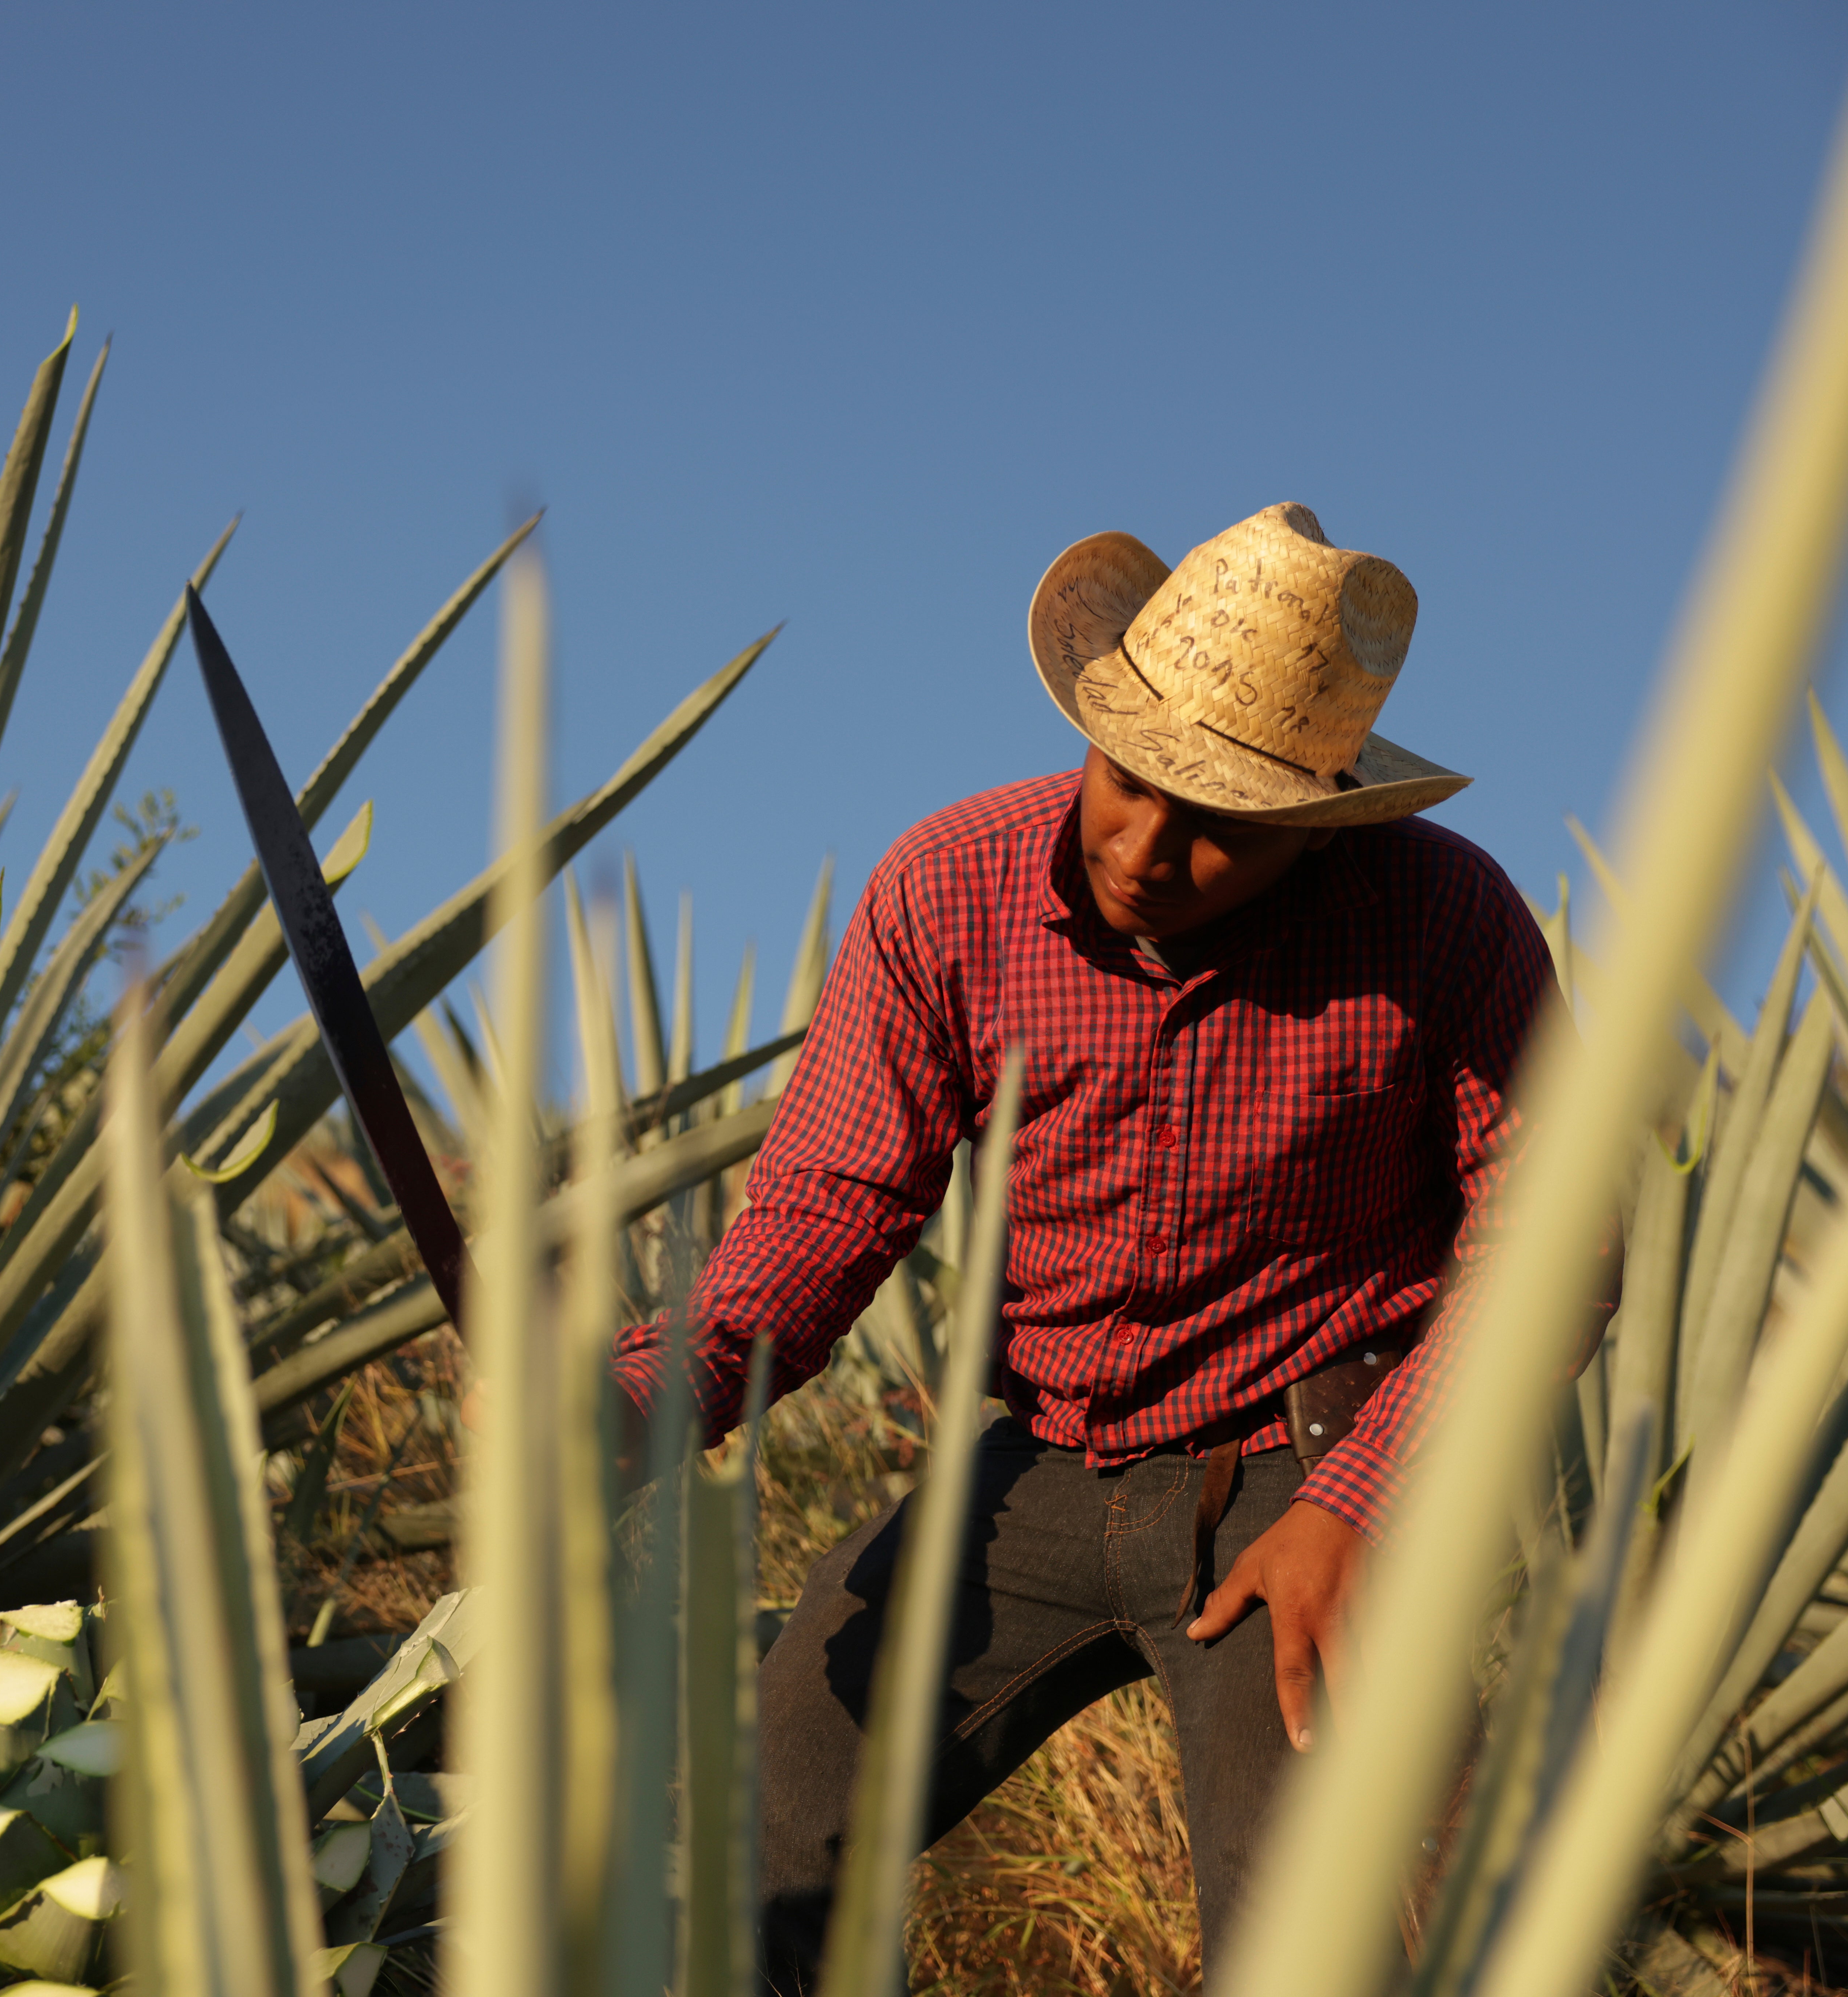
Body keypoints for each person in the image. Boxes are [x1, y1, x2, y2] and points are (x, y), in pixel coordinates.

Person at [610, 501, 1557, 1987]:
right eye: (1129, 782)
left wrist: (1362, 1503)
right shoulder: (949, 889)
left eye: (1221, 825)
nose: (1146, 847)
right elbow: (827, 1206)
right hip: (1048, 1456)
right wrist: (645, 1396)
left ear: (1315, 820)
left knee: (1314, 1941)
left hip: (1301, 1469)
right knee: (769, 1809)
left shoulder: (1443, 920)